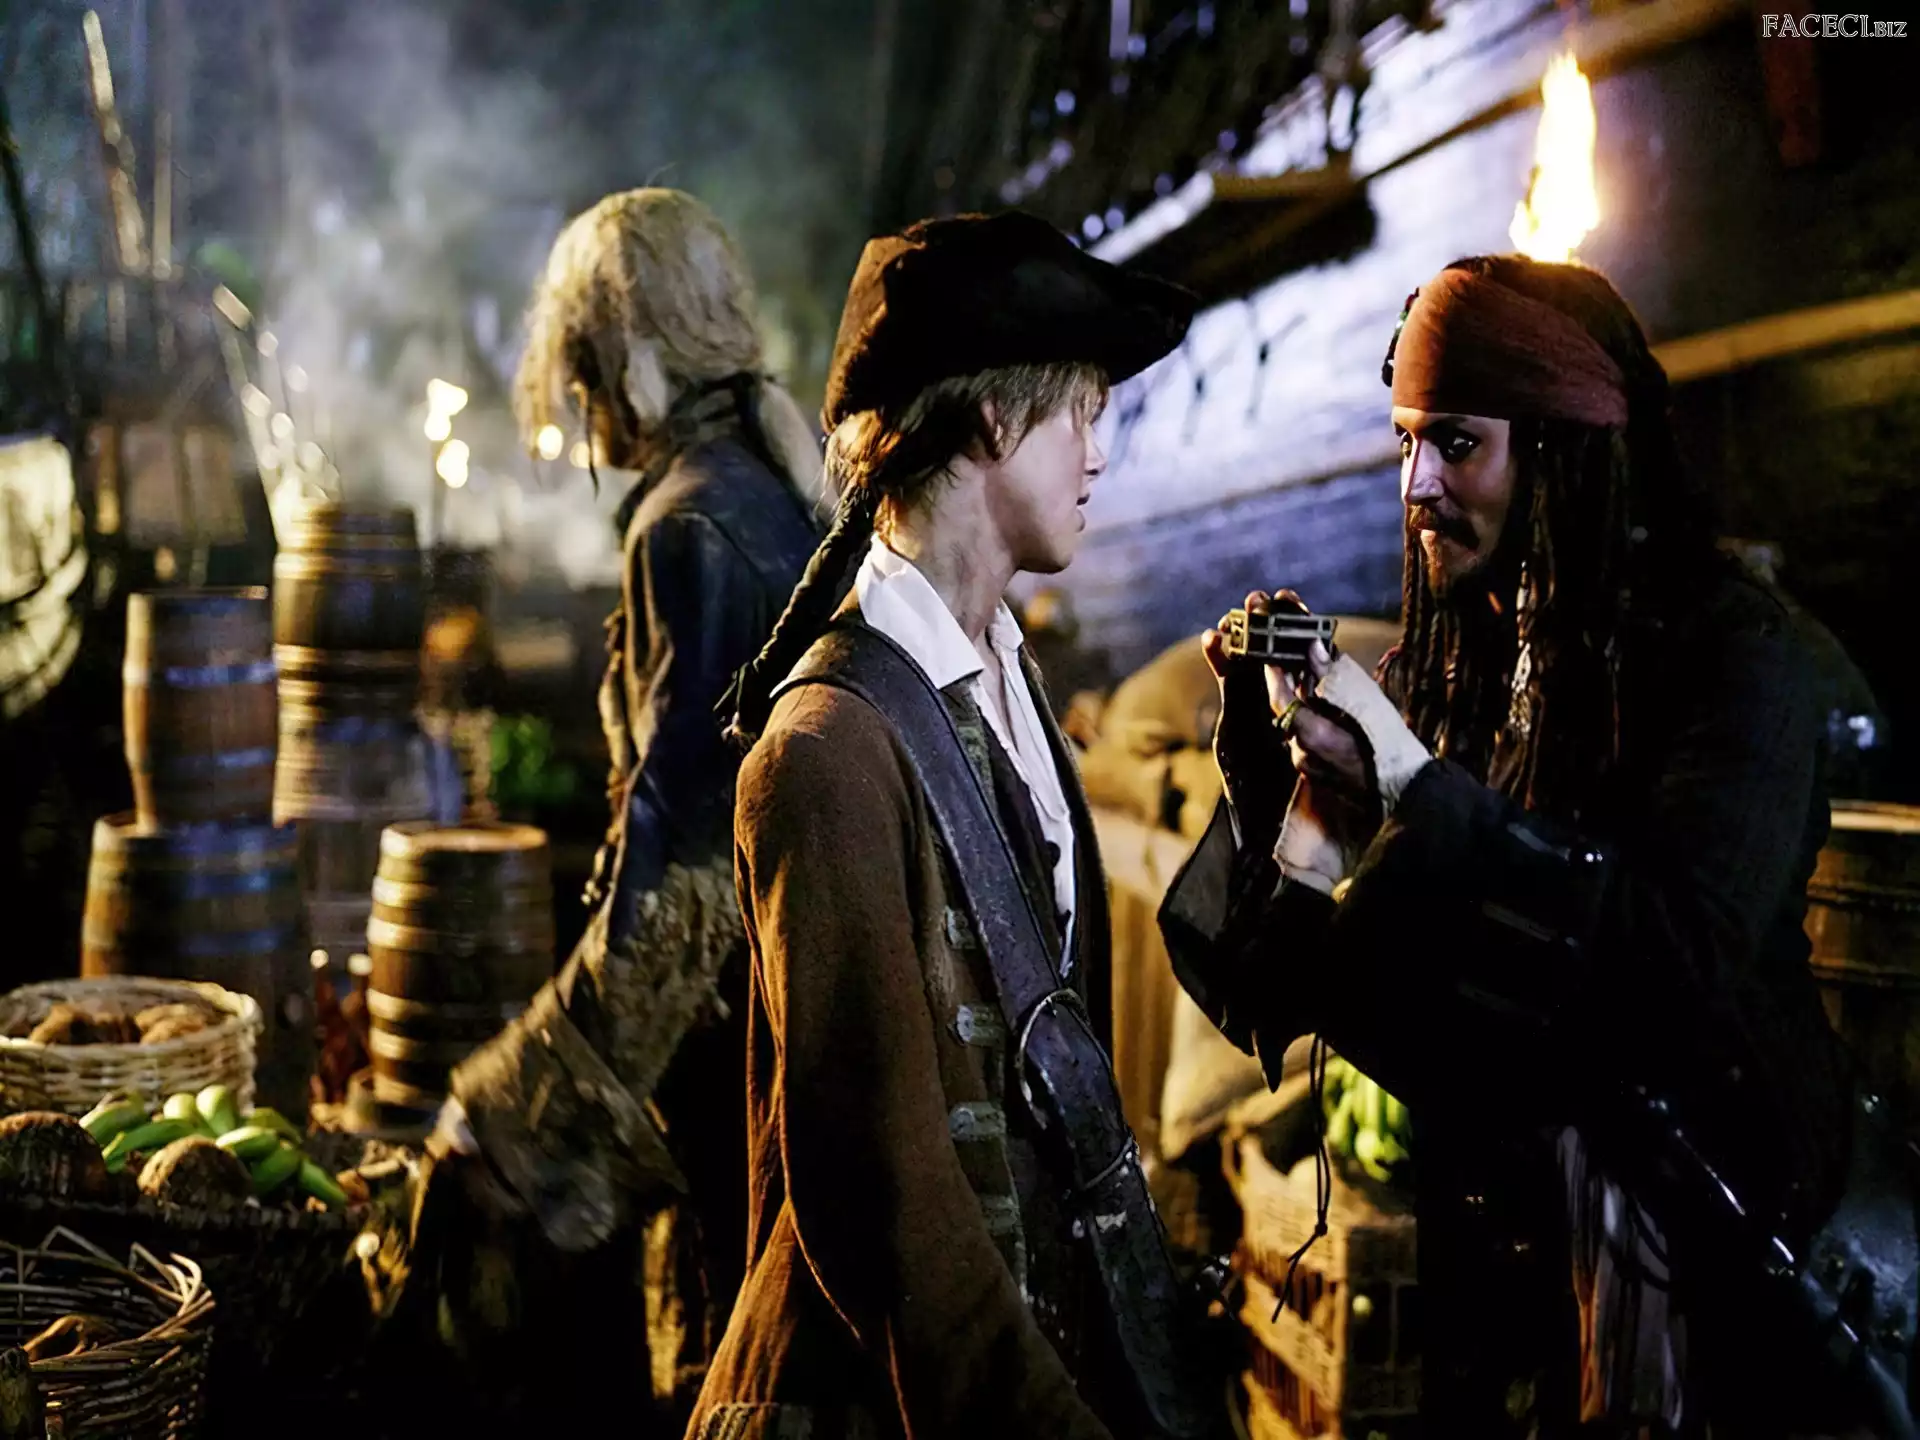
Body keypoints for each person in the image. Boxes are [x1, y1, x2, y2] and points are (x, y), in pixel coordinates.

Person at [1161, 256, 1903, 1438]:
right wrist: (1286, 789)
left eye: (1457, 444)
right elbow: (1289, 988)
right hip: (1501, 1271)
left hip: (1711, 1260)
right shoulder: (1455, 664)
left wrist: (1414, 786)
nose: (1417, 485)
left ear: (1559, 448)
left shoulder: (1736, 659)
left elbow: (1671, 959)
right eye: (1406, 442)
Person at [687, 211, 1220, 1440]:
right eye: (1080, 412)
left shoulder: (1012, 686)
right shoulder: (825, 756)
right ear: (993, 421)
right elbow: (887, 1205)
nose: (1098, 454)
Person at [406, 188, 824, 1426]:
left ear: (616, 360)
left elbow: (678, 893)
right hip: (792, 1033)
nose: (578, 404)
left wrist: (512, 1108)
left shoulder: (688, 529)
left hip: (731, 1060)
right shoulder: (772, 496)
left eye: (579, 369)